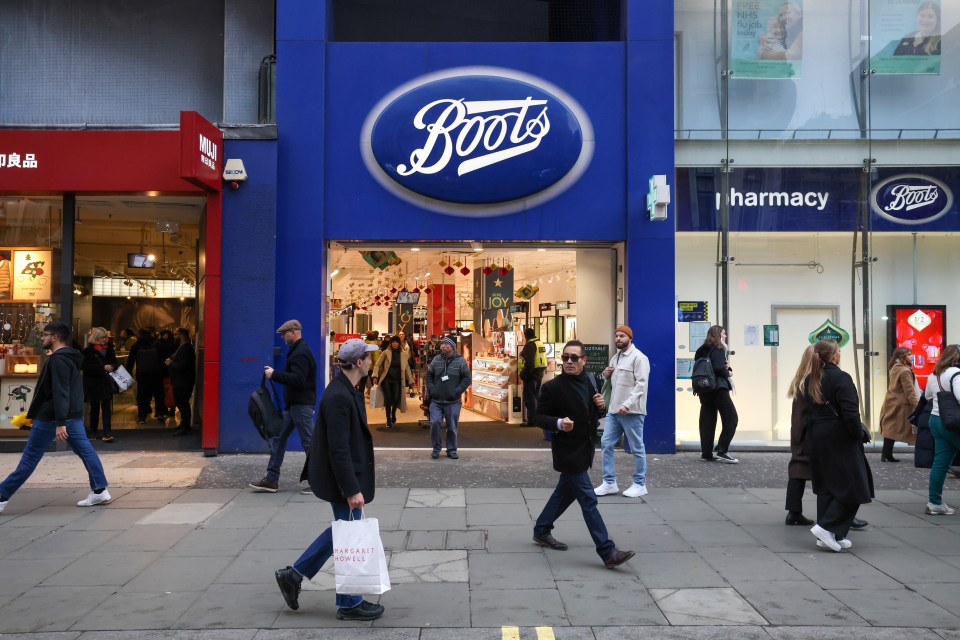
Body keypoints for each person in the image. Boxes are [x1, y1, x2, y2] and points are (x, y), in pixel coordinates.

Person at [274, 338, 385, 621]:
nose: (371, 362)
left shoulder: (346, 390)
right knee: (348, 534)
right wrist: (351, 489)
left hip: (343, 475)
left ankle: (295, 575)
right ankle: (348, 603)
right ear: (358, 362)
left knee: (344, 532)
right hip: (340, 478)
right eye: (368, 358)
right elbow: (338, 449)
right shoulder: (338, 396)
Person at [532, 340, 636, 569]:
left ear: (584, 360)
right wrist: (558, 423)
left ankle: (541, 529)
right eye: (565, 357)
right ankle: (607, 551)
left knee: (564, 493)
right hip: (567, 451)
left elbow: (593, 415)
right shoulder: (552, 387)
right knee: (588, 499)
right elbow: (538, 417)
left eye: (574, 358)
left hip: (585, 449)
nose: (569, 361)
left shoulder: (589, 381)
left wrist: (600, 406)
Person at [0, 322, 111, 514]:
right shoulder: (70, 357)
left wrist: (60, 422)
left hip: (52, 417)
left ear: (55, 337)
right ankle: (100, 490)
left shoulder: (58, 360)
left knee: (30, 458)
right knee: (86, 451)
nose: (42, 338)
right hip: (70, 416)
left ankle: (2, 495)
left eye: (45, 334)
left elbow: (61, 392)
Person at [800, 340, 874, 552]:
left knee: (828, 485)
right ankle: (826, 527)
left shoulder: (811, 378)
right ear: (833, 356)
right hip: (839, 436)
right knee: (855, 484)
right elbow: (850, 412)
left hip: (818, 435)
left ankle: (832, 534)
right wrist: (857, 434)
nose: (840, 354)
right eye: (838, 351)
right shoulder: (841, 378)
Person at [250, 319, 317, 493]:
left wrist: (274, 374)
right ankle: (271, 480)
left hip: (300, 406)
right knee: (279, 440)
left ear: (293, 332)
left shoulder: (300, 353)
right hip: (294, 406)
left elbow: (298, 379)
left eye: (284, 334)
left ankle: (318, 482)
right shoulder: (298, 350)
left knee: (309, 444)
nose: (282, 337)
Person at [595, 325, 651, 498]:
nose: (618, 339)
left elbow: (641, 384)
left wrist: (627, 404)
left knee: (636, 447)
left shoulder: (639, 358)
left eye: (622, 336)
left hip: (631, 411)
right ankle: (609, 482)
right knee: (606, 443)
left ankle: (640, 483)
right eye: (617, 336)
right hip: (614, 410)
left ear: (630, 338)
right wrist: (605, 374)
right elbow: (611, 383)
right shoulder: (616, 357)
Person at [922, 343, 960, 515]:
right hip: (954, 423)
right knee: (942, 462)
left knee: (940, 463)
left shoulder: (934, 374)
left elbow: (927, 395)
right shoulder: (956, 374)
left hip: (936, 420)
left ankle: (935, 503)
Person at [694, 325, 739, 463]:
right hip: (718, 388)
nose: (725, 336)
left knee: (707, 421)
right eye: (723, 333)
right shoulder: (718, 347)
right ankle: (722, 450)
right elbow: (718, 368)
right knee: (731, 418)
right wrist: (728, 372)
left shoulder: (701, 349)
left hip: (704, 389)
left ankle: (706, 454)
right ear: (718, 334)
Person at [425, 334, 470, 460]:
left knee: (452, 426)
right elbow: (428, 375)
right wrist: (432, 389)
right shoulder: (436, 360)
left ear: (453, 347)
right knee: (435, 423)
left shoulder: (460, 361)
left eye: (446, 344)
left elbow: (467, 379)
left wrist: (456, 392)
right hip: (436, 401)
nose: (443, 346)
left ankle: (451, 450)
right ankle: (436, 448)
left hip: (453, 401)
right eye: (443, 344)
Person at [879, 347, 919, 462]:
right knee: (894, 428)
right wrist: (917, 406)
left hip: (892, 401)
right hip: (901, 404)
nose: (911, 356)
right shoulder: (905, 371)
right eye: (909, 354)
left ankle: (886, 453)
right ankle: (887, 453)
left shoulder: (895, 367)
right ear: (902, 357)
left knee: (891, 428)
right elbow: (909, 390)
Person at [82, 327, 119, 442]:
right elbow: (85, 367)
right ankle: (93, 432)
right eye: (102, 337)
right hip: (93, 383)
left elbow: (115, 362)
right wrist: (102, 367)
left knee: (106, 408)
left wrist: (112, 366)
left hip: (106, 382)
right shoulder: (88, 351)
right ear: (96, 338)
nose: (105, 339)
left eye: (106, 337)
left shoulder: (109, 349)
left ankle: (107, 433)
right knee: (94, 408)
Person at [372, 335, 414, 428]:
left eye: (396, 342)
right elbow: (377, 364)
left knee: (395, 398)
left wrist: (411, 381)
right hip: (386, 379)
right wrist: (375, 375)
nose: (395, 344)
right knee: (388, 399)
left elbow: (407, 368)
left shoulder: (404, 354)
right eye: (393, 342)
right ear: (391, 343)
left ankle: (393, 413)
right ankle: (388, 419)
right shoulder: (386, 352)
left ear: (399, 343)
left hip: (397, 380)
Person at [126, 327, 166, 424]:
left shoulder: (136, 345)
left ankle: (142, 416)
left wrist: (129, 372)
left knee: (142, 395)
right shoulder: (157, 344)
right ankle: (160, 413)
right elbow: (163, 359)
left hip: (142, 375)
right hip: (156, 374)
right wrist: (163, 372)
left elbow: (130, 361)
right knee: (158, 394)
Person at [166, 327, 197, 436]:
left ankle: (185, 426)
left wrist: (170, 363)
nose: (174, 337)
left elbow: (182, 366)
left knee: (183, 403)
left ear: (182, 336)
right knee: (181, 402)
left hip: (183, 381)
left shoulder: (186, 348)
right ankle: (184, 424)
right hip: (180, 380)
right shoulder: (182, 347)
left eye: (176, 334)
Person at [519, 327, 548, 426]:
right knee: (535, 397)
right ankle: (536, 419)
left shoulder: (530, 344)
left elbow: (529, 362)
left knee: (529, 398)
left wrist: (523, 374)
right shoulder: (539, 343)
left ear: (525, 335)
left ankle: (532, 421)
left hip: (531, 375)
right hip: (539, 373)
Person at [157, 328, 177, 417]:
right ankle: (172, 408)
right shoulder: (173, 343)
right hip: (171, 370)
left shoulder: (160, 344)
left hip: (163, 371)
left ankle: (165, 408)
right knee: (171, 390)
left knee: (164, 390)